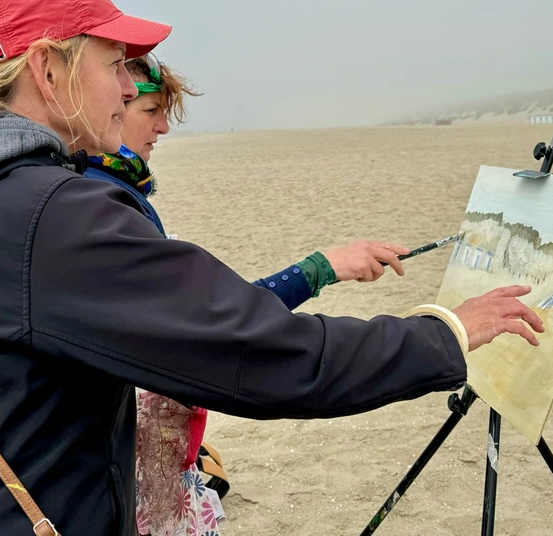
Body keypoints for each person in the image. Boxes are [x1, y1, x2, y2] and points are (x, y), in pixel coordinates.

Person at [0, 0, 544, 536]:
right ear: (48, 70)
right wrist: (444, 333)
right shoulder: (50, 214)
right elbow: (258, 353)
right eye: (115, 63)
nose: (126, 86)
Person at [87, 54, 417, 535]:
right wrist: (320, 269)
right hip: (129, 473)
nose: (162, 127)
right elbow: (214, 324)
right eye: (149, 111)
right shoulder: (100, 201)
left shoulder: (114, 193)